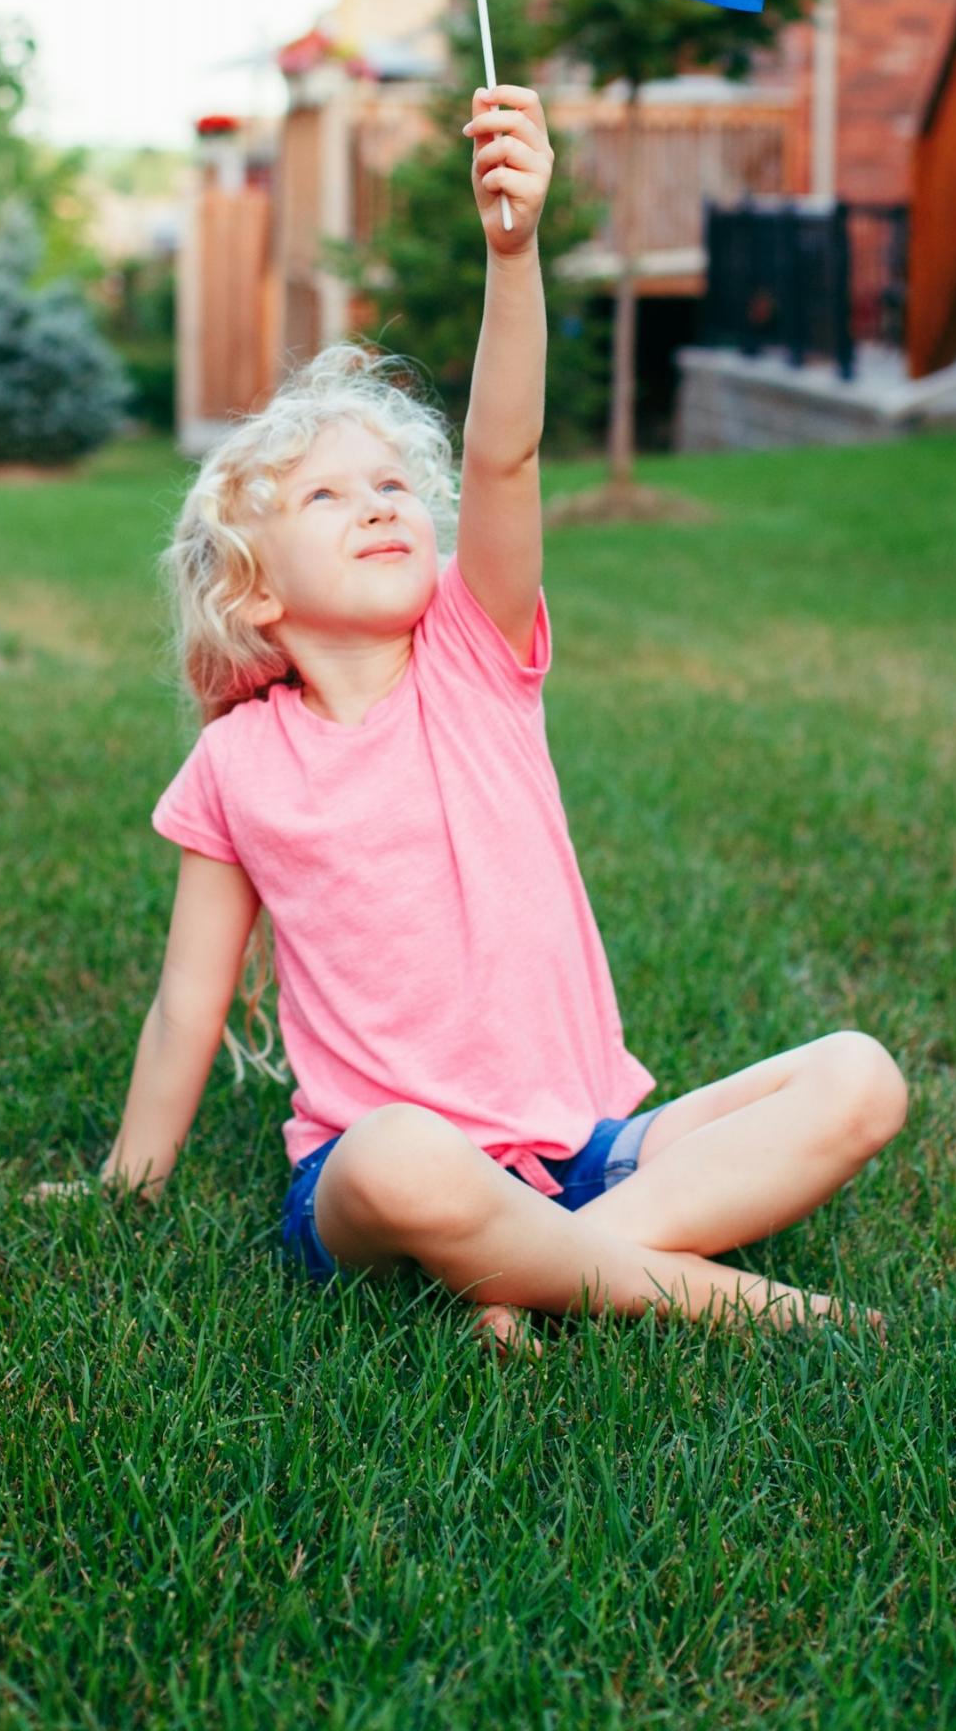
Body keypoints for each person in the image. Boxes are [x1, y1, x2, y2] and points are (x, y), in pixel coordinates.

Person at [85, 83, 908, 1358]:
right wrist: (126, 1189)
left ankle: (537, 1268)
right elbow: (188, 1005)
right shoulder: (238, 765)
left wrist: (512, 256)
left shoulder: (474, 657)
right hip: (376, 1178)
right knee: (407, 1161)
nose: (380, 505)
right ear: (252, 590)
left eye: (392, 485)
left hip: (590, 1150)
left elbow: (505, 457)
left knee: (861, 1074)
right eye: (325, 496)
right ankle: (686, 1288)